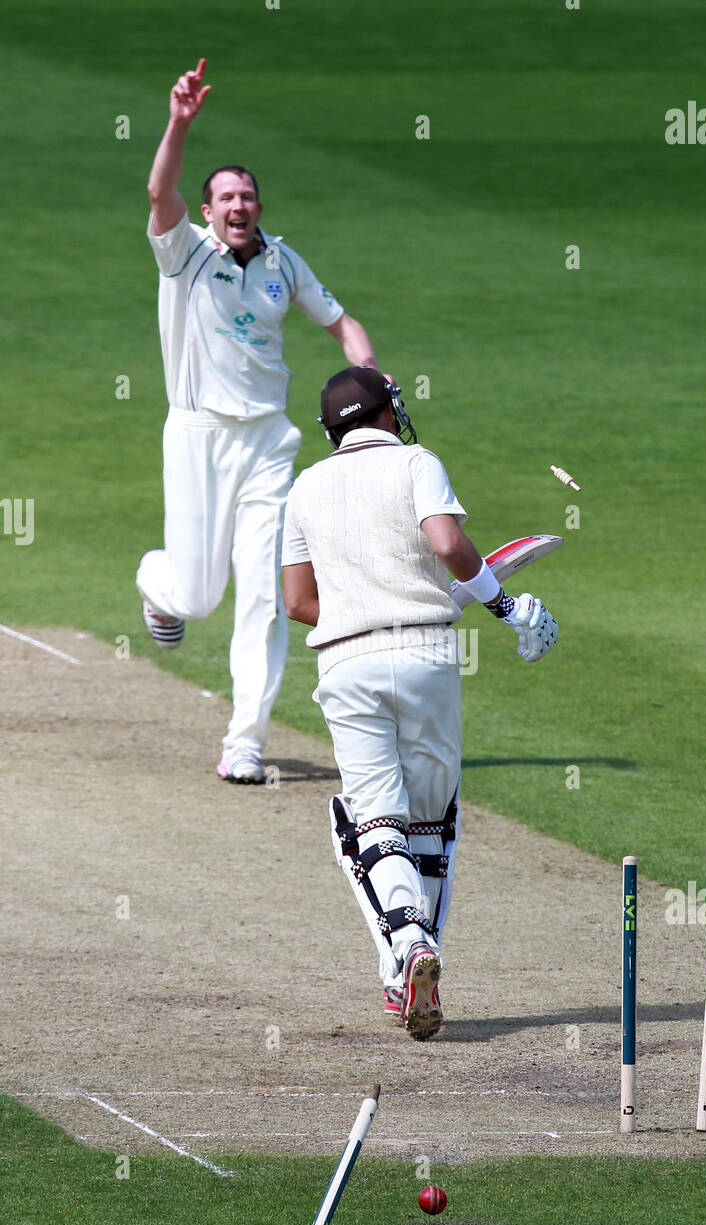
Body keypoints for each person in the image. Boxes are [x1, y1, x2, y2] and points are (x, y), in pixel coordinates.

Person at [281, 367, 559, 1039]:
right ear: (384, 414)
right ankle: (414, 951)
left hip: (345, 662)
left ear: (331, 430)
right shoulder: (415, 462)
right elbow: (447, 543)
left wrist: (356, 614)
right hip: (428, 655)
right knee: (431, 823)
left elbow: (295, 603)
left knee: (373, 822)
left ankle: (405, 951)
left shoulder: (304, 487)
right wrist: (504, 605)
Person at [137, 59, 385, 782]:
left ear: (258, 206)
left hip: (269, 445)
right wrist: (180, 121)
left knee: (267, 598)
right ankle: (158, 584)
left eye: (247, 195)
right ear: (207, 211)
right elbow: (158, 191)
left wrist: (370, 374)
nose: (238, 205)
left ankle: (244, 739)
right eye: (225, 198)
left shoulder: (282, 261)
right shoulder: (181, 253)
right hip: (196, 436)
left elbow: (342, 324)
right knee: (198, 595)